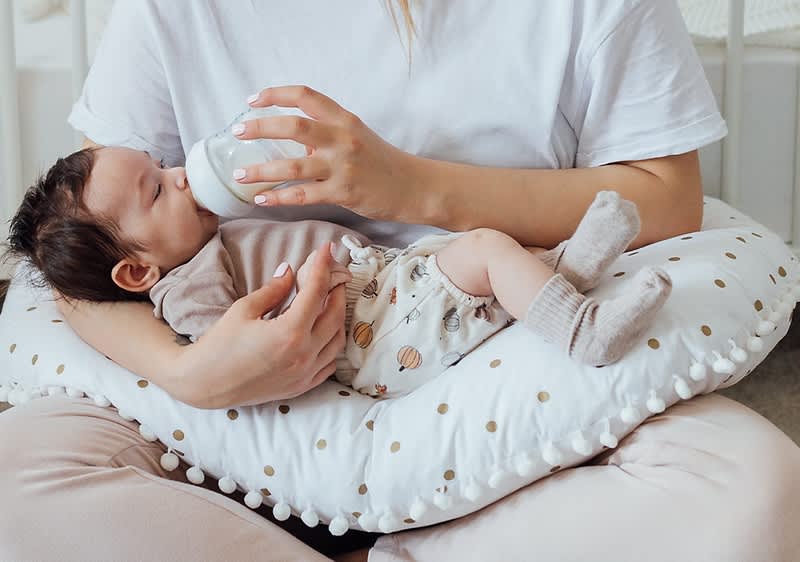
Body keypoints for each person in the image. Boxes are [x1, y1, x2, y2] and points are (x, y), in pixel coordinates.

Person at [0, 0, 798, 560]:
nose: (176, 177)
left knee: (756, 492)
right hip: (249, 431)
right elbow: (78, 266)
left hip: (500, 371)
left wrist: (410, 188)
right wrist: (191, 372)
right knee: (15, 485)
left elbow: (666, 196)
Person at [8, 147, 672, 397]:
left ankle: (568, 270)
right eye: (157, 191)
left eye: (161, 166)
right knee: (486, 252)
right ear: (135, 271)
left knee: (482, 262)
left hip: (387, 289)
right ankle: (584, 329)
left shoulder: (208, 242)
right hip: (372, 330)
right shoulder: (190, 285)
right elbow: (233, 352)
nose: (180, 173)